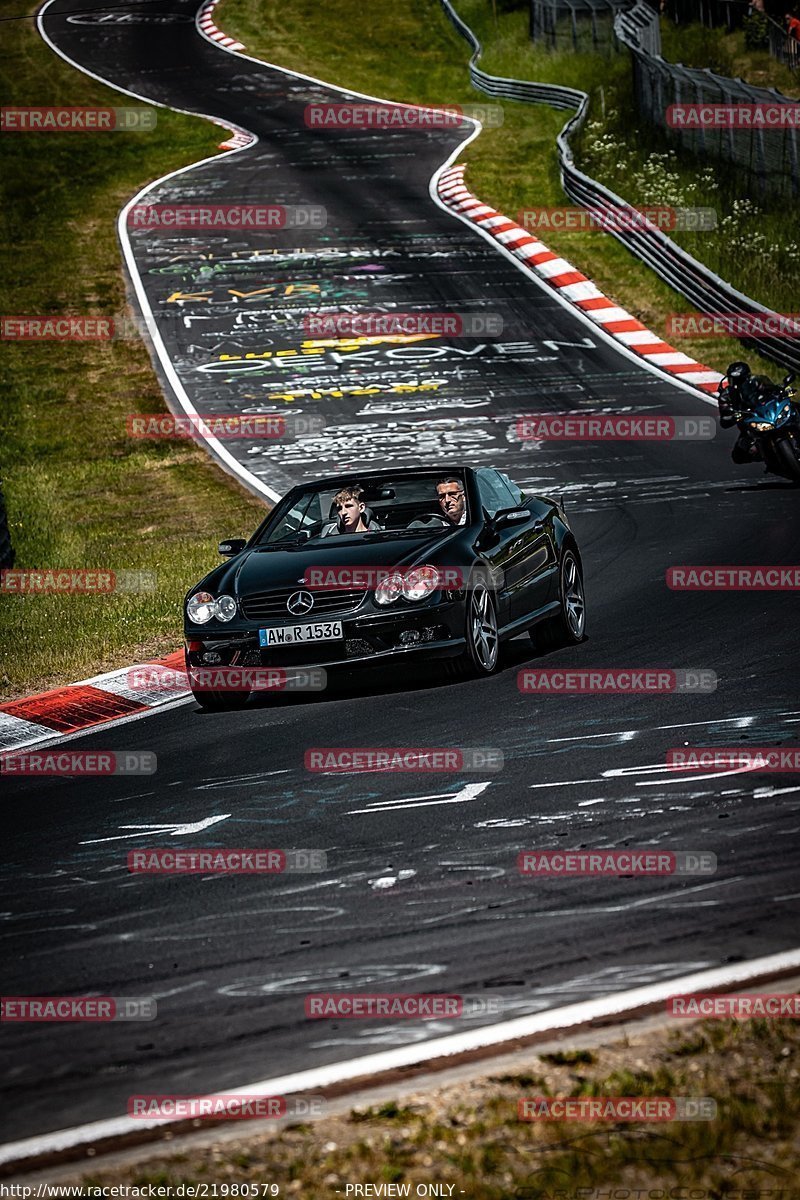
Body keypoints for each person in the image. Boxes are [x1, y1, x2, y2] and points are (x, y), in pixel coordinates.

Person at [718, 360, 779, 464]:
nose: (737, 385)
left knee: (795, 408)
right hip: (751, 426)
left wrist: (780, 391)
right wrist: (735, 416)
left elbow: (774, 389)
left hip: (770, 413)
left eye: (740, 381)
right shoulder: (726, 395)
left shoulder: (757, 382)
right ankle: (769, 459)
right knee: (738, 455)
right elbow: (724, 419)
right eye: (734, 380)